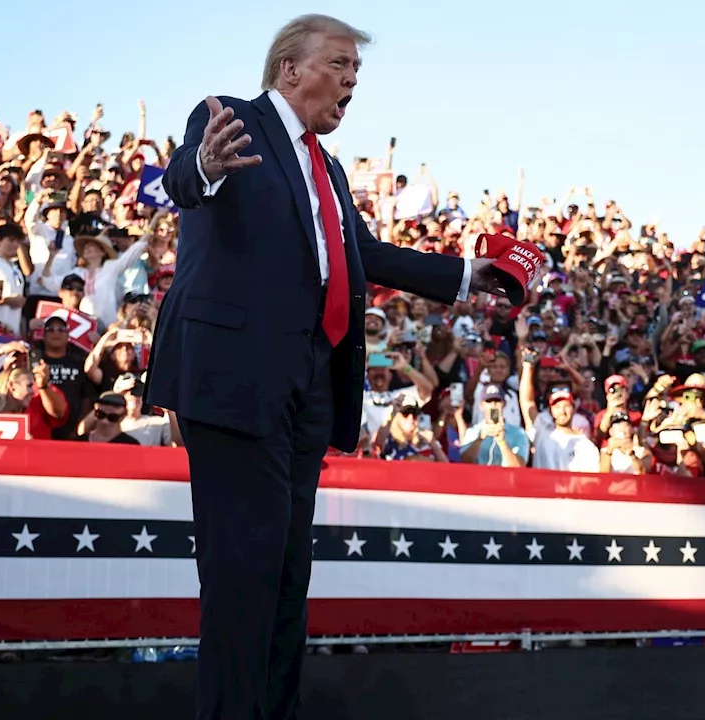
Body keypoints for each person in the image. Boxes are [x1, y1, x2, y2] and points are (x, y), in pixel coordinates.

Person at [143, 14, 507, 719]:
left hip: (306, 385)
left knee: (284, 578)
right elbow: (185, 178)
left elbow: (363, 253)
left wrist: (468, 275)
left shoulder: (328, 168)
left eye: (357, 72)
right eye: (340, 65)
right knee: (241, 575)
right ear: (289, 70)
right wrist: (205, 167)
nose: (351, 81)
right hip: (231, 376)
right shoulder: (231, 120)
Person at [459, 383, 529, 467]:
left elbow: (519, 467)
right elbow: (464, 462)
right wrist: (480, 439)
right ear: (481, 405)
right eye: (488, 401)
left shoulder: (518, 433)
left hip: (505, 479)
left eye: (497, 400)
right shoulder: (473, 432)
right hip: (479, 479)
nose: (493, 405)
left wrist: (502, 442)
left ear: (504, 403)